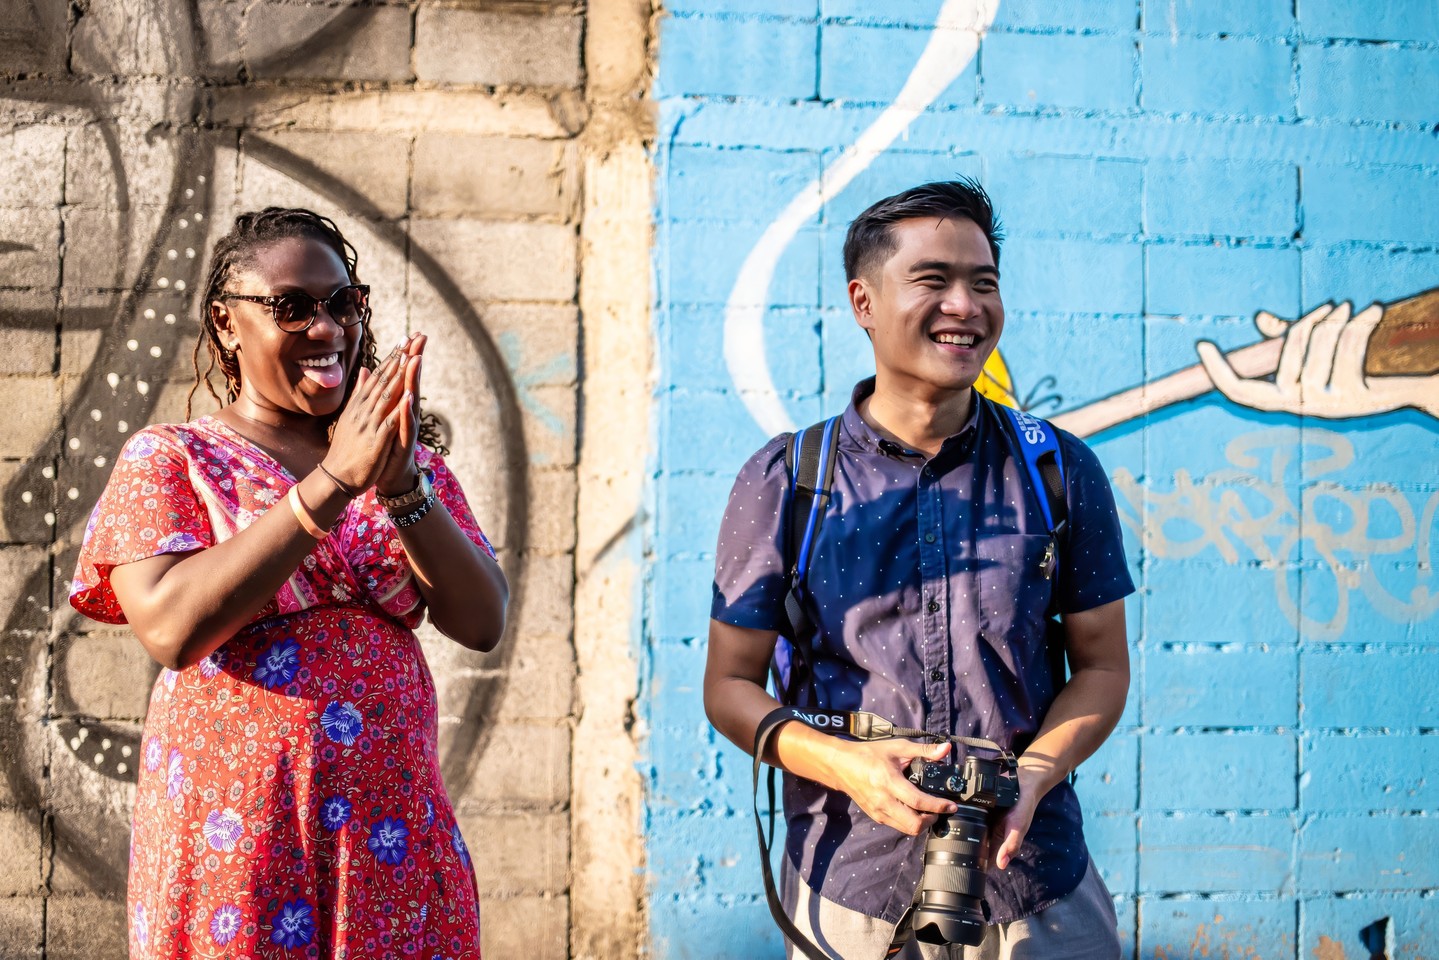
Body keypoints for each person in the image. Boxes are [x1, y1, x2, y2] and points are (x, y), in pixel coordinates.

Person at [704, 180, 1133, 960]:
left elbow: (1101, 666)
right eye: (933, 281)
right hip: (849, 886)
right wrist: (847, 767)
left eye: (984, 283)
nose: (965, 305)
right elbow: (728, 689)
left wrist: (1032, 777)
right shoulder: (786, 480)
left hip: (1035, 885)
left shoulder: (1059, 470)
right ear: (863, 302)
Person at [69, 207, 509, 960]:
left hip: (390, 842)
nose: (327, 328)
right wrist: (334, 483)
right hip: (238, 837)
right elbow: (172, 628)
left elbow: (480, 622)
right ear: (227, 324)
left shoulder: (401, 461)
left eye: (343, 303)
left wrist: (401, 483)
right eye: (291, 307)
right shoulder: (172, 460)